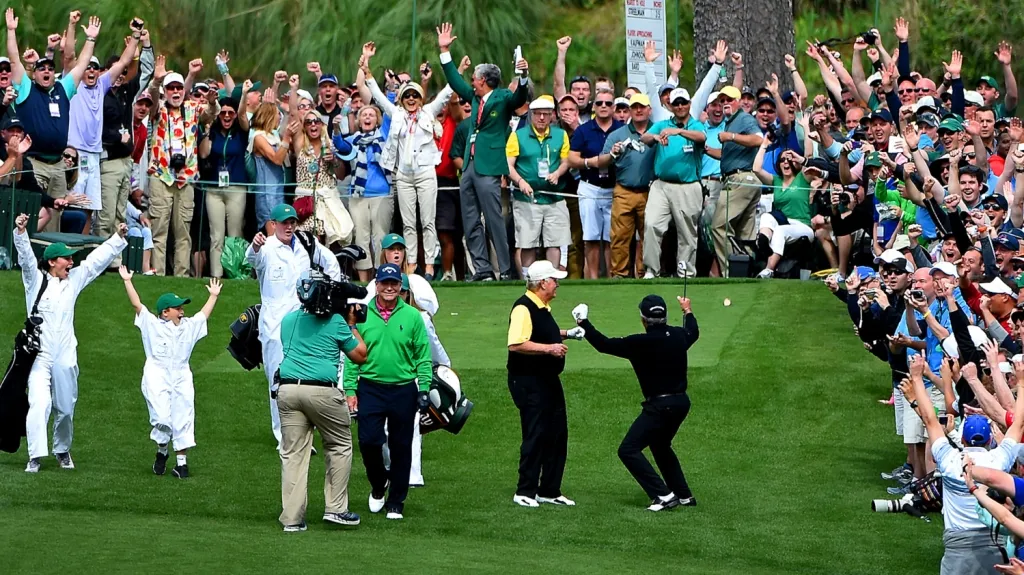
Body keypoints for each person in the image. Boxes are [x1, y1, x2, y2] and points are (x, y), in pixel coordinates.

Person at [13, 212, 128, 473]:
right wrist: (21, 232)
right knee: (39, 404)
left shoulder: (73, 279)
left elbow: (95, 262)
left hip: (65, 352)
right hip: (39, 354)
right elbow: (27, 260)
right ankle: (35, 456)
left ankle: (62, 450)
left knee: (65, 407)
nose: (71, 261)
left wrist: (118, 238)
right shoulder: (36, 280)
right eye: (66, 258)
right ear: (52, 261)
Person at [571, 294, 699, 510]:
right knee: (660, 445)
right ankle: (684, 495)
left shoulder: (639, 343)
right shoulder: (678, 335)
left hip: (660, 406)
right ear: (665, 316)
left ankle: (664, 495)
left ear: (643, 319)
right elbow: (693, 332)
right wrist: (687, 310)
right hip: (681, 404)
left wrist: (583, 322)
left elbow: (604, 344)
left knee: (628, 449)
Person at [276, 272, 369, 532]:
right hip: (323, 393)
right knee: (339, 444)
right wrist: (351, 324)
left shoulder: (288, 320)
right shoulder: (337, 322)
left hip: (287, 391)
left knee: (293, 454)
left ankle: (292, 519)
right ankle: (336, 509)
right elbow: (360, 355)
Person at [438, 22, 530, 281]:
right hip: (469, 166)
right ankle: (482, 269)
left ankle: (506, 269)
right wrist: (445, 52)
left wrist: (523, 77)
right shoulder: (475, 98)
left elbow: (519, 98)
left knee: (494, 220)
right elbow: (455, 82)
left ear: (485, 81)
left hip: (489, 167)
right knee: (470, 221)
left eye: (475, 79)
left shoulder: (501, 98)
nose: (472, 84)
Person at [246, 203, 342, 449]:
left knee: (303, 380)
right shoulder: (266, 247)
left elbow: (330, 262)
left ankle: (302, 434)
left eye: (292, 222)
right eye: (284, 223)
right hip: (275, 326)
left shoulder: (305, 243)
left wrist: (330, 290)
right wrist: (255, 246)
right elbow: (252, 259)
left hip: (304, 324)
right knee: (277, 382)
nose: (289, 227)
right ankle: (284, 436)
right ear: (273, 224)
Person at [342, 263, 433, 520]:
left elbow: (422, 357)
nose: (390, 288)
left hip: (403, 389)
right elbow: (352, 355)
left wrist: (424, 388)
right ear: (377, 285)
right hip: (370, 387)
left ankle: (396, 501)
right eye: (385, 283)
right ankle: (380, 482)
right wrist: (350, 388)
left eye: (395, 284)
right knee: (369, 441)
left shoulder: (413, 317)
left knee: (401, 445)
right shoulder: (362, 314)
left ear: (401, 288)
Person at [359, 43, 453, 279]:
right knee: (409, 223)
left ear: (420, 99)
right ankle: (411, 265)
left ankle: (430, 265)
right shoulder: (396, 114)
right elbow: (378, 97)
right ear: (401, 99)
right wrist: (367, 67)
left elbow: (447, 93)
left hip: (425, 173)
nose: (411, 99)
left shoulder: (429, 112)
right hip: (403, 174)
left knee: (427, 221)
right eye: (407, 95)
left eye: (415, 95)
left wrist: (455, 67)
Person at [118, 267, 221, 479]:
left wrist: (213, 296)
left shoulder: (188, 327)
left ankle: (182, 464)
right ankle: (162, 451)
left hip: (182, 375)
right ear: (166, 312)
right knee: (163, 418)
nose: (182, 311)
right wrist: (128, 280)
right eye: (177, 308)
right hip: (157, 374)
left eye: (182, 307)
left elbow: (203, 316)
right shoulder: (152, 325)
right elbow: (137, 305)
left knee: (183, 417)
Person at [506, 260, 585, 508]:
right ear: (542, 283)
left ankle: (549, 489)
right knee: (536, 434)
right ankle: (525, 491)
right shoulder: (523, 307)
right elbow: (516, 343)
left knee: (557, 433)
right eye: (554, 280)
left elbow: (542, 331)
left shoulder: (542, 307)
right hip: (529, 381)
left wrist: (567, 333)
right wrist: (550, 348)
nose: (557, 284)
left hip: (547, 380)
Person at [147, 56, 220, 277]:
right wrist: (156, 82)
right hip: (161, 175)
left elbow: (211, 114)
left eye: (179, 88)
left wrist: (213, 101)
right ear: (166, 91)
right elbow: (151, 97)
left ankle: (181, 277)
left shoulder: (192, 108)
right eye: (171, 88)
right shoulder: (158, 108)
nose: (176, 92)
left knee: (183, 233)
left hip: (186, 177)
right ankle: (157, 275)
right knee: (159, 231)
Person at [640, 88, 708, 278]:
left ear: (689, 104)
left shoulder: (695, 124)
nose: (680, 106)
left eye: (683, 102)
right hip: (661, 185)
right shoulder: (662, 124)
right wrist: (655, 136)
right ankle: (651, 270)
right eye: (676, 103)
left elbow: (702, 138)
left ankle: (685, 272)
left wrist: (678, 131)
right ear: (670, 105)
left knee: (687, 232)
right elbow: (644, 137)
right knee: (652, 224)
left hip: (688, 186)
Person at [506, 97, 572, 273]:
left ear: (552, 116)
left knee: (555, 242)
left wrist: (558, 173)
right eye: (538, 114)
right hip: (527, 198)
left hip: (554, 197)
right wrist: (520, 181)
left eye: (546, 114)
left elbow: (566, 161)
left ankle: (551, 278)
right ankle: (529, 279)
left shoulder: (561, 135)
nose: (542, 118)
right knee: (527, 243)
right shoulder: (518, 136)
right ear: (531, 116)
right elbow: (508, 165)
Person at [705, 86, 764, 277]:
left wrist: (730, 136)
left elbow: (758, 139)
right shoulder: (730, 123)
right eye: (722, 101)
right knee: (744, 234)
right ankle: (747, 274)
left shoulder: (744, 118)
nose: (725, 104)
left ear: (738, 101)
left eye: (729, 100)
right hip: (743, 178)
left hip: (741, 179)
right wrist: (706, 150)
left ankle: (729, 272)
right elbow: (728, 155)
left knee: (718, 226)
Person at [568, 88, 623, 278]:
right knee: (590, 237)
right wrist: (589, 162)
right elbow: (571, 159)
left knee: (610, 238)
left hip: (614, 188)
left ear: (614, 107)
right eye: (599, 103)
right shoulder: (584, 130)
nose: (604, 107)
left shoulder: (621, 129)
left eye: (608, 103)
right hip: (590, 186)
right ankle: (592, 278)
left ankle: (609, 277)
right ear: (594, 106)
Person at [199, 92, 250, 278]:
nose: (227, 116)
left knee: (235, 233)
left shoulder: (241, 132)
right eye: (223, 113)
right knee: (216, 235)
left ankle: (235, 273)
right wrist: (206, 131)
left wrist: (244, 94)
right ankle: (216, 275)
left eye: (230, 112)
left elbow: (244, 118)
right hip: (214, 189)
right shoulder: (212, 132)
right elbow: (204, 154)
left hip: (236, 187)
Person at [342, 105, 394, 282]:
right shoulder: (353, 140)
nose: (367, 117)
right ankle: (364, 282)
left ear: (377, 119)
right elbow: (340, 145)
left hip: (382, 195)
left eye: (371, 114)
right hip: (359, 196)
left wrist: (391, 92)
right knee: (361, 238)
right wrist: (335, 130)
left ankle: (381, 277)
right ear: (358, 120)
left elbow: (389, 113)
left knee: (380, 237)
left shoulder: (384, 135)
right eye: (364, 114)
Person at [292, 109, 354, 247]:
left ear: (322, 125)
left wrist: (334, 160)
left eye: (316, 121)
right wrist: (294, 90)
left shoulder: (330, 145)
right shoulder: (300, 144)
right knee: (307, 238)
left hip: (327, 198)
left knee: (333, 236)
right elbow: (293, 114)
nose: (313, 125)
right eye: (308, 122)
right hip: (306, 201)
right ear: (304, 126)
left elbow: (341, 175)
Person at [249, 102, 291, 233]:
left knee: (282, 236)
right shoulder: (258, 137)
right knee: (272, 237)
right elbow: (277, 159)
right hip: (267, 192)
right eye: (278, 114)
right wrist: (287, 138)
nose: (279, 117)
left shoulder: (274, 136)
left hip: (278, 190)